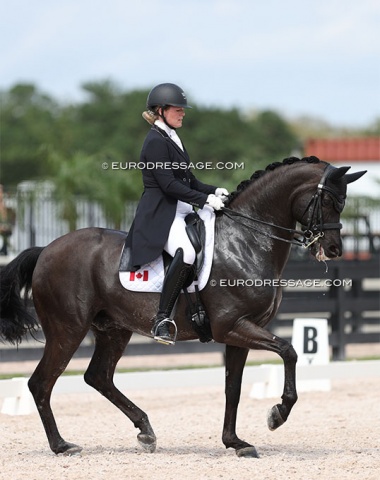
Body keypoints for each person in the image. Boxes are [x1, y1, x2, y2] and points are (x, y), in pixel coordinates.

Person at [125, 83, 228, 345]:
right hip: (163, 213)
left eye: (183, 109)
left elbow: (189, 180)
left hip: (182, 209)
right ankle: (162, 319)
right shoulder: (155, 142)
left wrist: (214, 190)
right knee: (188, 252)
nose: (182, 113)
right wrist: (205, 199)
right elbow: (169, 186)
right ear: (160, 110)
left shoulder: (172, 137)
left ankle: (200, 309)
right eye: (177, 109)